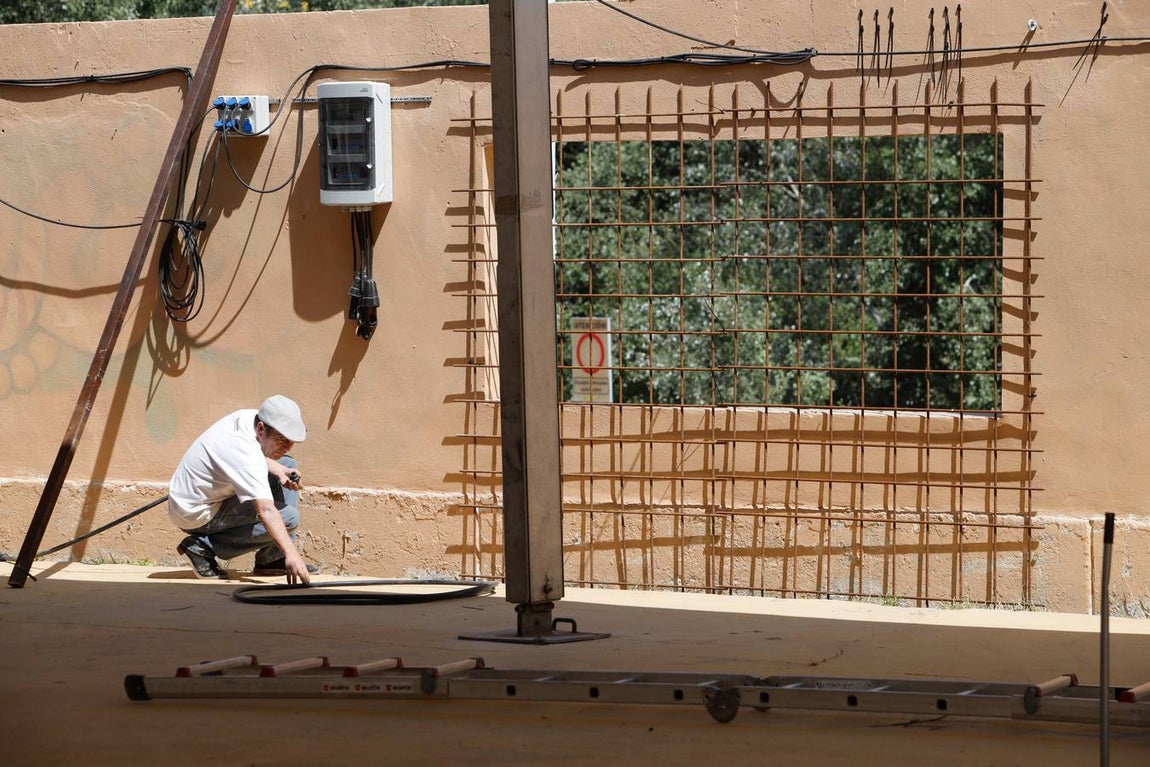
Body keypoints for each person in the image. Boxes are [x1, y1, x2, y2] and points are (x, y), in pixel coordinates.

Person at [167, 395, 316, 584]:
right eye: (282, 440)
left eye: (291, 441)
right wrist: (292, 553)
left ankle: (271, 559)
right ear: (261, 429)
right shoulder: (245, 453)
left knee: (286, 463)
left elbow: (254, 457)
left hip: (201, 496)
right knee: (289, 518)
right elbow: (266, 510)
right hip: (194, 513)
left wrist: (280, 470)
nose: (287, 446)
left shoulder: (251, 418)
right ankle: (202, 548)